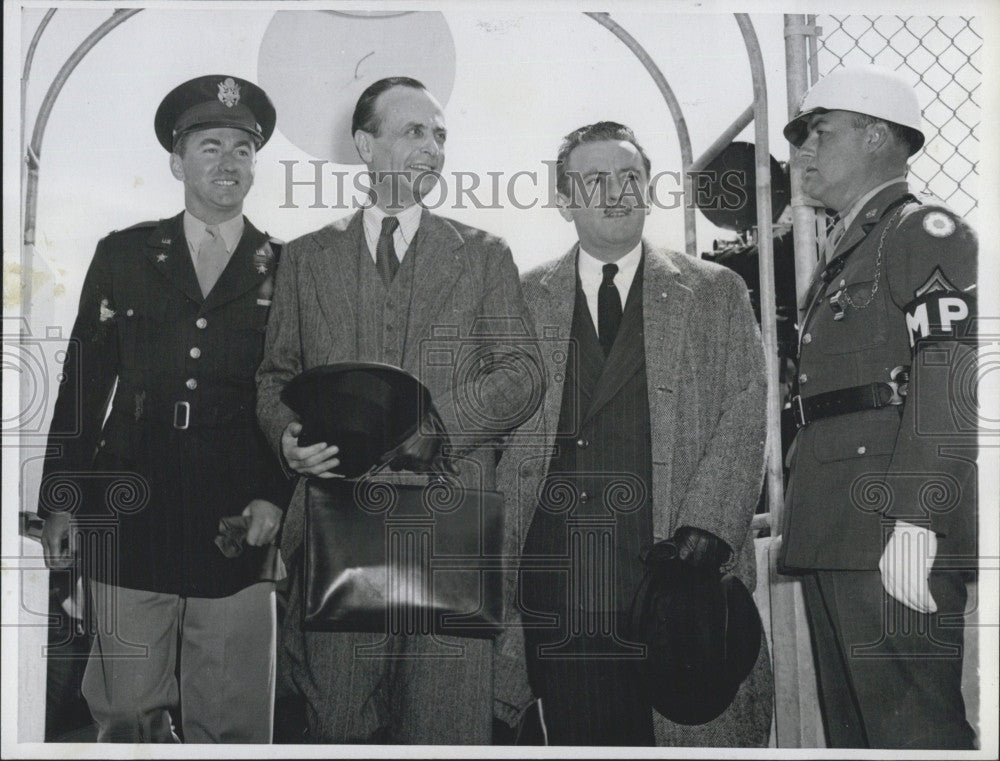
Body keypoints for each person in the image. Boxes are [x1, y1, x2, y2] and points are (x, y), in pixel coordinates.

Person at [255, 76, 541, 744]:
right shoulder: (304, 257)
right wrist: (288, 438)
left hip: (451, 526)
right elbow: (275, 378)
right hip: (338, 527)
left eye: (441, 135)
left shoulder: (486, 253)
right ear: (365, 143)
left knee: (446, 728)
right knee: (338, 724)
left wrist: (440, 430)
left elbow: (525, 372)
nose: (434, 148)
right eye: (415, 131)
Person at [495, 121, 773, 746]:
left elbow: (746, 409)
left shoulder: (714, 292)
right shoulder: (519, 296)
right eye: (594, 180)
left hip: (672, 582)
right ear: (564, 199)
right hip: (561, 586)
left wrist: (708, 525)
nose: (616, 193)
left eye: (630, 178)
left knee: (687, 735)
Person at [38, 74, 289, 743]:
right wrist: (62, 496)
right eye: (211, 146)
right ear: (178, 162)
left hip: (236, 515)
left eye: (243, 148)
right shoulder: (123, 255)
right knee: (123, 711)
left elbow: (290, 392)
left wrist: (275, 496)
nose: (229, 162)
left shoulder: (286, 267)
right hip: (130, 506)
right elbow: (83, 385)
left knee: (232, 720)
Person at [778, 64, 978, 749]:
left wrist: (918, 515)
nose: (801, 150)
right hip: (842, 527)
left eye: (817, 132)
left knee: (912, 733)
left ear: (874, 136)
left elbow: (947, 373)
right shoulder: (847, 250)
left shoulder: (924, 229)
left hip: (889, 530)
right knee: (859, 737)